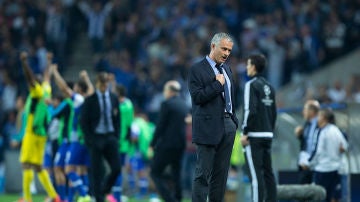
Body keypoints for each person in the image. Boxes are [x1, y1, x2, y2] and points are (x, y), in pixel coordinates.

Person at [188, 32, 238, 202]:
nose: (226, 53)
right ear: (213, 46)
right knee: (203, 174)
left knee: (221, 175)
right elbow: (197, 97)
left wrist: (233, 119)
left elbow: (231, 97)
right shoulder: (197, 69)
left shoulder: (227, 69)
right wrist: (217, 85)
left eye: (229, 50)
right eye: (224, 49)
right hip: (208, 127)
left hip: (228, 125)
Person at [19, 52, 60, 202]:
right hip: (42, 134)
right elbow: (47, 77)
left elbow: (29, 78)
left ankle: (27, 199)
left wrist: (24, 63)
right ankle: (54, 196)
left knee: (26, 164)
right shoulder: (46, 90)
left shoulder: (36, 92)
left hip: (32, 132)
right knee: (38, 167)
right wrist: (49, 62)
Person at [50, 64, 94, 202]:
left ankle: (83, 195)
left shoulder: (79, 100)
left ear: (79, 90)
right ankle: (80, 196)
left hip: (76, 139)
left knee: (69, 170)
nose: (73, 89)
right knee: (81, 170)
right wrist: (86, 78)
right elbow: (91, 90)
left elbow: (64, 88)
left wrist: (55, 72)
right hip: (85, 139)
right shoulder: (89, 100)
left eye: (75, 87)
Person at [241, 54, 277, 202]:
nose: (246, 67)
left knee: (255, 176)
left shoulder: (251, 85)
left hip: (254, 136)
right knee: (268, 174)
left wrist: (245, 132)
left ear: (254, 67)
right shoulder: (270, 86)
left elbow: (251, 110)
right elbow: (274, 113)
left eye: (248, 64)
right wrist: (270, 131)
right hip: (268, 135)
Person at [80, 72, 121, 202]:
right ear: (97, 84)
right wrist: (90, 139)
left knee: (116, 168)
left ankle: (105, 189)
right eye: (102, 84)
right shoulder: (90, 100)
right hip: (96, 138)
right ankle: (99, 198)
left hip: (110, 137)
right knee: (97, 172)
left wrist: (116, 136)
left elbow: (117, 119)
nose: (104, 87)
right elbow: (84, 122)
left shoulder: (114, 98)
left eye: (106, 84)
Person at [150, 80, 189, 202]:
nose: (164, 93)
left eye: (165, 90)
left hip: (167, 144)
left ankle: (169, 199)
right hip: (180, 144)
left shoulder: (166, 104)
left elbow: (160, 125)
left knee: (155, 172)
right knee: (176, 173)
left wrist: (152, 143)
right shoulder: (184, 105)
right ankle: (178, 197)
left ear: (170, 91)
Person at [309, 108, 348, 202]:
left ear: (324, 118)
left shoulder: (320, 132)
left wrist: (310, 163)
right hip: (335, 169)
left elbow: (317, 151)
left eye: (319, 116)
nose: (317, 118)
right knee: (334, 197)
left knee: (319, 197)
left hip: (322, 170)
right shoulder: (336, 130)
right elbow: (344, 146)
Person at [294, 99, 320, 184]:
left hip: (314, 164)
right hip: (304, 162)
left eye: (305, 109)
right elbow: (307, 142)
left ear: (312, 111)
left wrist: (310, 162)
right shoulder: (307, 124)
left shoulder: (320, 123)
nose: (303, 112)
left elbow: (317, 144)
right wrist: (300, 135)